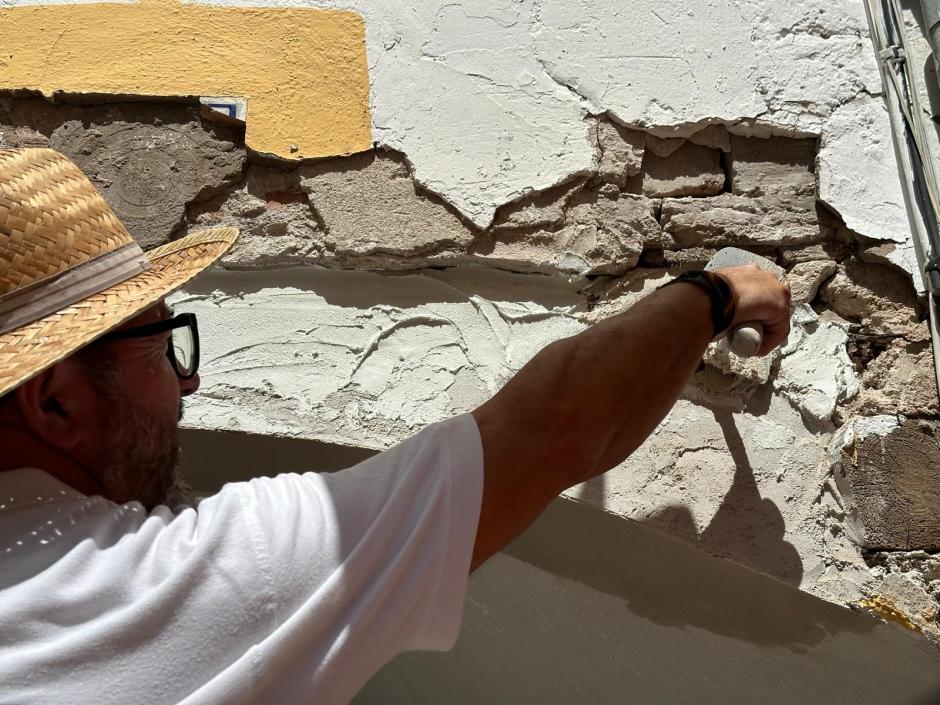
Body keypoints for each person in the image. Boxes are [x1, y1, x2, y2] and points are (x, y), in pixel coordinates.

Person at [0, 148, 791, 704]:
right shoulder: (167, 588)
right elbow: (558, 426)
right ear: (56, 401)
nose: (188, 379)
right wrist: (720, 293)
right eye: (159, 346)